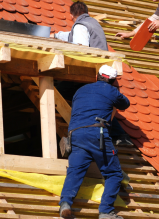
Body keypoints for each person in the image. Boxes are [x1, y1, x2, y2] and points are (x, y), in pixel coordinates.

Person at [53, 1, 133, 146]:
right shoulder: (93, 24)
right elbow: (71, 35)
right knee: (97, 104)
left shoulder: (80, 26)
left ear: (71, 16)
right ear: (87, 12)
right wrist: (56, 35)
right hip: (101, 72)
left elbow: (81, 48)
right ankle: (120, 135)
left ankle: (88, 123)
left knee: (60, 92)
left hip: (87, 73)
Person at [59, 65, 130, 219]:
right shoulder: (111, 91)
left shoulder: (80, 91)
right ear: (112, 80)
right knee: (114, 174)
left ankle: (65, 203)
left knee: (75, 171)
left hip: (75, 134)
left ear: (97, 76)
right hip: (96, 133)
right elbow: (125, 104)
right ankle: (106, 210)